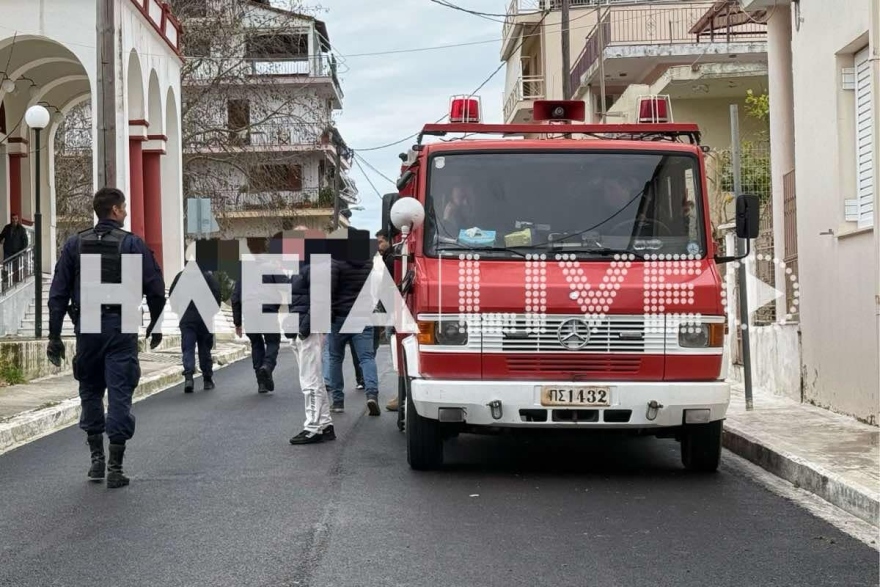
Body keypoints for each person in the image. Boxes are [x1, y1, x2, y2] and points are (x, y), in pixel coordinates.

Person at [46, 187, 165, 489]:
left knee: (90, 389)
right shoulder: (131, 244)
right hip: (120, 324)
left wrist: (55, 335)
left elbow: (58, 294)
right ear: (114, 210)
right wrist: (156, 325)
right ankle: (115, 465)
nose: (125, 212)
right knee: (120, 391)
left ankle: (96, 460)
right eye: (124, 207)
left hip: (86, 325)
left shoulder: (75, 244)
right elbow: (154, 288)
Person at [286, 228, 335, 444]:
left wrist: (304, 328)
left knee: (310, 380)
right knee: (314, 379)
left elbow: (319, 301)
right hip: (304, 327)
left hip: (309, 329)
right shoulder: (302, 266)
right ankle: (324, 424)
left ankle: (313, 427)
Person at [324, 229, 380, 415]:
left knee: (334, 358)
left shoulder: (335, 262)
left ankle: (338, 401)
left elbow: (329, 291)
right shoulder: (367, 263)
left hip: (339, 317)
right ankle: (371, 394)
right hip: (363, 315)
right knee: (366, 358)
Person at [231, 237, 287, 394]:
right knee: (273, 342)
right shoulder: (272, 266)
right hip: (267, 309)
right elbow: (287, 286)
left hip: (249, 311)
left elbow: (235, 297)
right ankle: (267, 367)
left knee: (256, 344)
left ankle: (261, 382)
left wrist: (237, 323)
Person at [168, 261, 221, 393]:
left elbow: (172, 296)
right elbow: (216, 296)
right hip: (205, 318)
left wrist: (179, 311)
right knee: (204, 348)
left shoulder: (180, 277)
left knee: (188, 347)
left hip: (187, 318)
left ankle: (189, 377)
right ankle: (207, 379)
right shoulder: (208, 277)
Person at [0, 213, 29, 283]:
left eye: (16, 219)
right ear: (11, 219)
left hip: (16, 252)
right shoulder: (7, 228)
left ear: (17, 219)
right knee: (6, 266)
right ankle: (5, 281)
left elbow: (25, 241)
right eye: (13, 219)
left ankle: (15, 281)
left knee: (15, 268)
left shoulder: (21, 229)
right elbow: (1, 236)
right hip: (7, 251)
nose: (14, 220)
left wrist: (22, 251)